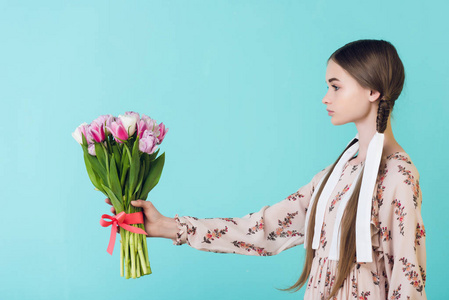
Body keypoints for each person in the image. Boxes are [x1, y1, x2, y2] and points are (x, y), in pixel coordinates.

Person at [106, 39, 427, 300]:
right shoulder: (339, 172)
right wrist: (168, 226)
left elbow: (407, 277)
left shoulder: (397, 174)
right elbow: (266, 228)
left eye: (335, 87)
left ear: (373, 91)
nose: (325, 98)